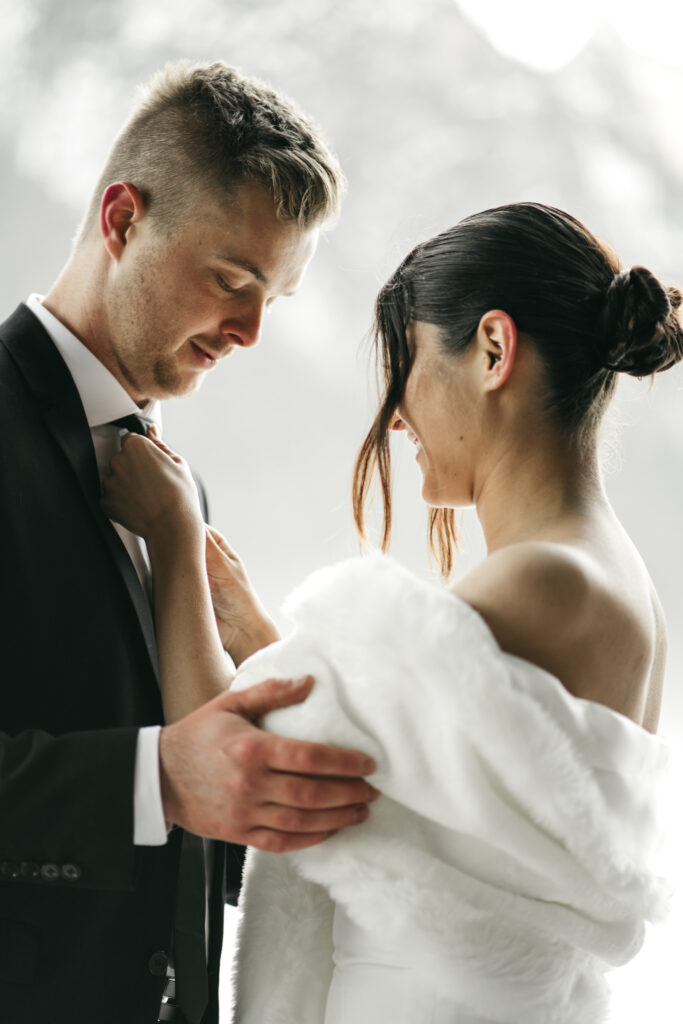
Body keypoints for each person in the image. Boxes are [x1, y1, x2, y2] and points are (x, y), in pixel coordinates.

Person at [102, 202, 681, 1024]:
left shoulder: (538, 583)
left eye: (405, 364)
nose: (398, 413)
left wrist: (170, 536)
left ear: (491, 349)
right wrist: (263, 636)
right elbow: (411, 772)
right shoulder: (610, 580)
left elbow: (229, 758)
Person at [0, 60, 381, 1024]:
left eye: (273, 299)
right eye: (231, 281)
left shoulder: (178, 488)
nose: (250, 331)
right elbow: (174, 777)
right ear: (123, 219)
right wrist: (154, 778)